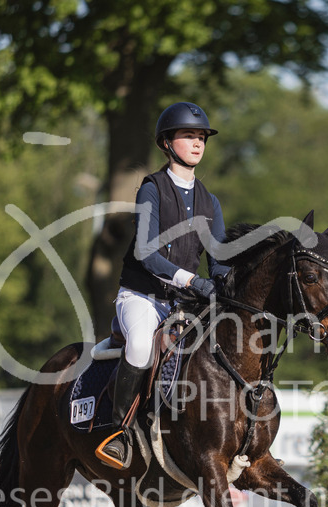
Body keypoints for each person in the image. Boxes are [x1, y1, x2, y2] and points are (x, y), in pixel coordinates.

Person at [97, 102, 230, 466]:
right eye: (188, 136)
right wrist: (194, 281)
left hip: (183, 305)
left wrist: (223, 281)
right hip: (141, 297)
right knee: (140, 346)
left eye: (201, 137)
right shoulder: (151, 189)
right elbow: (144, 251)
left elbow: (217, 257)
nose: (198, 143)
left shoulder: (209, 201)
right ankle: (118, 432)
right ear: (167, 144)